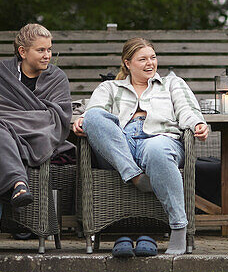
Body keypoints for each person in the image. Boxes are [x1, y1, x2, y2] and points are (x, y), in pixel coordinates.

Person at [72, 37, 209, 256]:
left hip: (159, 139)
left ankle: (179, 227)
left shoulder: (173, 84)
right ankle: (135, 176)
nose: (150, 63)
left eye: (153, 57)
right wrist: (83, 120)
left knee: (156, 150)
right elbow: (94, 112)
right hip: (119, 145)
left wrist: (198, 124)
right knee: (94, 116)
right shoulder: (109, 87)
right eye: (142, 59)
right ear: (127, 63)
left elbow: (188, 110)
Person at [0, 23, 73, 254]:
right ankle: (19, 184)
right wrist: (23, 120)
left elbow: (56, 118)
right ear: (23, 52)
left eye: (49, 50)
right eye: (41, 50)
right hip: (0, 137)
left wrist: (11, 122)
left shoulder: (57, 78)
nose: (47, 55)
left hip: (36, 139)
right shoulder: (1, 73)